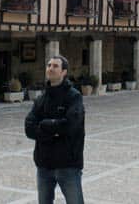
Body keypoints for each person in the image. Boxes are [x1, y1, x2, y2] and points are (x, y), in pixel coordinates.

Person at [25, 55, 85, 204]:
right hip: (44, 165)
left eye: (55, 66)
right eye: (49, 65)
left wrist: (45, 124)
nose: (50, 68)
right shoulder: (41, 99)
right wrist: (53, 133)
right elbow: (29, 127)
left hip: (68, 164)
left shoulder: (74, 97)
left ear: (64, 72)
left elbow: (71, 125)